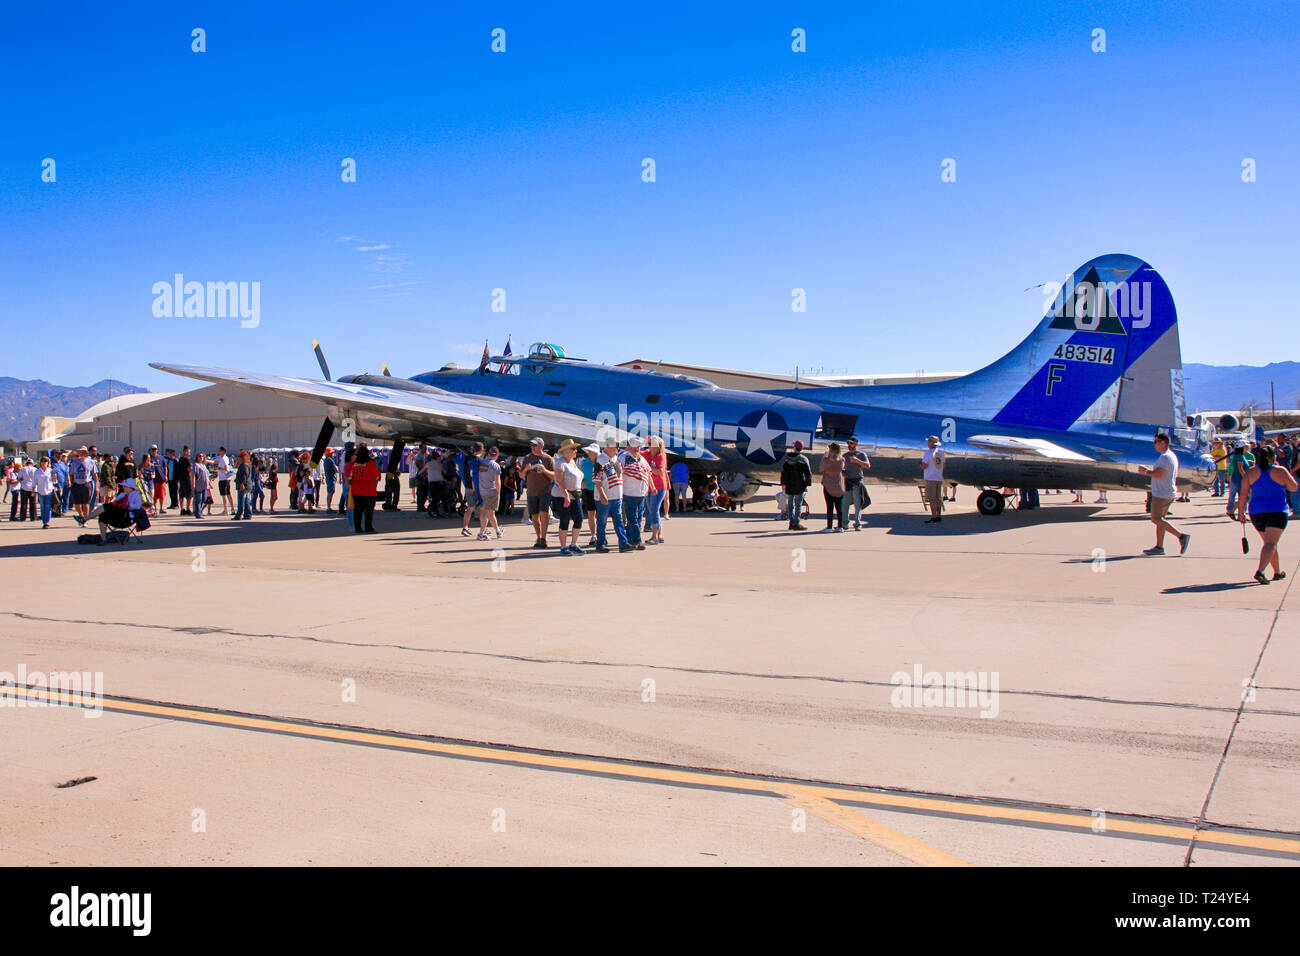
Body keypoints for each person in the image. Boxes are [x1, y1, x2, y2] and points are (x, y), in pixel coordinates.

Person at [1238, 444, 1298, 584]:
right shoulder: (1280, 471)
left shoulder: (1251, 472)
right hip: (1276, 510)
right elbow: (1294, 487)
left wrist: (1241, 512)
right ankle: (1261, 571)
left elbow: (1243, 493)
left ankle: (1277, 572)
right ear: (1273, 457)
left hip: (1257, 512)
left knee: (1269, 543)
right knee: (1270, 543)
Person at [1138, 433, 1190, 555]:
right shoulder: (1169, 456)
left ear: (1163, 443)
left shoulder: (1165, 458)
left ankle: (1181, 536)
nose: (1154, 444)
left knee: (1156, 519)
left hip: (1162, 494)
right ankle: (1159, 547)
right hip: (1166, 492)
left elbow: (1158, 474)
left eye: (1156, 442)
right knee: (1161, 520)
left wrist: (1145, 471)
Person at [592, 439, 629, 553]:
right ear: (608, 448)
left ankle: (623, 543)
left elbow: (619, 477)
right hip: (605, 497)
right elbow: (597, 480)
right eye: (615, 447)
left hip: (616, 496)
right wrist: (602, 495)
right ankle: (600, 544)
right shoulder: (600, 460)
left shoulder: (615, 459)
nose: (617, 450)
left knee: (619, 521)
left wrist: (620, 494)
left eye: (617, 447)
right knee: (602, 522)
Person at [550, 439, 586, 554]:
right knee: (565, 520)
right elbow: (559, 481)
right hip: (562, 495)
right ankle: (563, 547)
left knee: (579, 518)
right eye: (573, 448)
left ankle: (573, 544)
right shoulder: (560, 462)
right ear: (566, 451)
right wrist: (566, 496)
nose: (576, 450)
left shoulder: (572, 462)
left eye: (576, 448)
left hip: (575, 495)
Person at [521, 438, 555, 548]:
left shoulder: (548, 459)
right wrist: (526, 469)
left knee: (544, 514)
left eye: (535, 445)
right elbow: (521, 476)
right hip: (531, 491)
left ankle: (544, 539)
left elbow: (554, 476)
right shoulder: (527, 458)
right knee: (534, 516)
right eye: (531, 445)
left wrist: (544, 470)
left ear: (541, 446)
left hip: (545, 490)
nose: (532, 447)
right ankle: (539, 537)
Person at [619, 436, 650, 549]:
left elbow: (648, 472)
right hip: (629, 493)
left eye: (639, 446)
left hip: (641, 493)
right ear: (629, 446)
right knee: (632, 518)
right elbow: (618, 473)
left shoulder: (642, 459)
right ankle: (637, 540)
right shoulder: (624, 458)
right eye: (635, 445)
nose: (637, 448)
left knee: (637, 518)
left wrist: (651, 487)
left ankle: (630, 540)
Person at [780, 440, 813, 531]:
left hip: (789, 485)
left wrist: (783, 483)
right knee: (798, 505)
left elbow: (784, 473)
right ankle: (797, 523)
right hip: (800, 485)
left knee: (790, 504)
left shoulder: (787, 459)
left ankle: (791, 522)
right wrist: (807, 483)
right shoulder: (803, 459)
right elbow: (808, 473)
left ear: (794, 448)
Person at [642, 435, 670, 544]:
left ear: (658, 445)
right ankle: (659, 534)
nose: (650, 446)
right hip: (649, 486)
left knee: (654, 510)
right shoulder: (646, 454)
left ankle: (654, 536)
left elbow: (660, 471)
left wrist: (647, 468)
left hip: (659, 487)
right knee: (652, 510)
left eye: (653, 444)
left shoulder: (661, 456)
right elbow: (636, 453)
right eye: (649, 444)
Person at [349, 444, 380, 533]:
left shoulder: (354, 465)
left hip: (356, 491)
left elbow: (350, 477)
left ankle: (357, 527)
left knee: (357, 511)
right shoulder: (370, 464)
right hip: (369, 491)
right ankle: (368, 527)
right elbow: (377, 476)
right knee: (368, 511)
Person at [843, 436, 871, 530]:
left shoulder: (861, 454)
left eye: (851, 443)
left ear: (856, 444)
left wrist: (857, 461)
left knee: (858, 504)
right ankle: (845, 523)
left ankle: (857, 524)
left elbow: (867, 465)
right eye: (848, 443)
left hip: (857, 481)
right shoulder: (845, 455)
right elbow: (842, 468)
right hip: (847, 481)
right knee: (845, 504)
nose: (849, 445)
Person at [476, 446, 504, 540]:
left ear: (488, 454)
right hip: (492, 491)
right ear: (497, 455)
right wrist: (498, 492)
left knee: (490, 513)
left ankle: (498, 531)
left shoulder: (483, 464)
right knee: (487, 513)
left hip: (483, 491)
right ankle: (481, 533)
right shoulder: (496, 466)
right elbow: (497, 480)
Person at [819, 442, 846, 531]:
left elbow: (821, 469)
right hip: (839, 486)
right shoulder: (842, 460)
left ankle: (829, 526)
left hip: (828, 485)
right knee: (839, 507)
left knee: (830, 507)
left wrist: (825, 456)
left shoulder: (827, 460)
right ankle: (840, 526)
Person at [1225, 440, 1254, 517]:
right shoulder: (1240, 456)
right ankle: (1234, 512)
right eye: (1245, 447)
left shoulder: (1238, 455)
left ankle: (1238, 513)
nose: (1247, 448)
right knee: (1244, 497)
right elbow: (1240, 468)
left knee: (1243, 497)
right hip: (1239, 479)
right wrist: (1246, 478)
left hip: (1237, 478)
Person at [921, 436, 945, 523]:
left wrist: (921, 465)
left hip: (930, 478)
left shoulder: (928, 453)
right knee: (938, 498)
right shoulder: (941, 452)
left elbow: (924, 465)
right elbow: (944, 464)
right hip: (938, 477)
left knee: (932, 499)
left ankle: (934, 516)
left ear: (931, 444)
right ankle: (938, 515)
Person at [233, 450, 254, 519]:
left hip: (243, 486)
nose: (238, 458)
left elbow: (244, 476)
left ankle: (239, 515)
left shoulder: (243, 465)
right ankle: (247, 515)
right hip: (248, 486)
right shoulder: (247, 465)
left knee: (241, 500)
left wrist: (242, 484)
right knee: (246, 501)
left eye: (239, 456)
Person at [34, 456, 55, 528]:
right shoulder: (37, 471)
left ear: (48, 463)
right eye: (42, 461)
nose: (44, 463)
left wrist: (55, 477)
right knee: (42, 507)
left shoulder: (50, 470)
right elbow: (35, 481)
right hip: (41, 491)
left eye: (45, 461)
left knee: (48, 506)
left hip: (49, 491)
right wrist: (33, 490)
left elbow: (54, 481)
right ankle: (44, 521)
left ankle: (47, 522)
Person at [190, 453, 211, 519]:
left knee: (204, 498)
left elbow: (207, 476)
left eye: (202, 456)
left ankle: (199, 511)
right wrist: (193, 484)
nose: (201, 457)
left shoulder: (204, 465)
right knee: (198, 499)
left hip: (205, 485)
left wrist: (210, 484)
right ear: (197, 457)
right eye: (199, 456)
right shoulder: (195, 465)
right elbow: (193, 475)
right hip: (198, 484)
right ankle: (198, 513)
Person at [177, 445, 193, 515]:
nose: (189, 453)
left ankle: (182, 509)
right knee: (189, 495)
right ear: (186, 451)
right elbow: (189, 469)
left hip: (181, 478)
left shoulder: (180, 459)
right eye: (189, 451)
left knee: (182, 495)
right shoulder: (187, 459)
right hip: (187, 478)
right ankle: (188, 509)